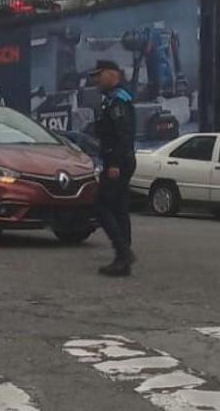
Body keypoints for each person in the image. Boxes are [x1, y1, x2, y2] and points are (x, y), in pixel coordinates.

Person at [88, 60, 137, 277]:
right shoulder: (111, 99)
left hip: (118, 161)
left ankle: (123, 252)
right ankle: (123, 260)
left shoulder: (118, 101)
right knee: (119, 208)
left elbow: (123, 135)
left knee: (101, 206)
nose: (96, 80)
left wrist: (115, 163)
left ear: (112, 74)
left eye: (99, 75)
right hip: (117, 159)